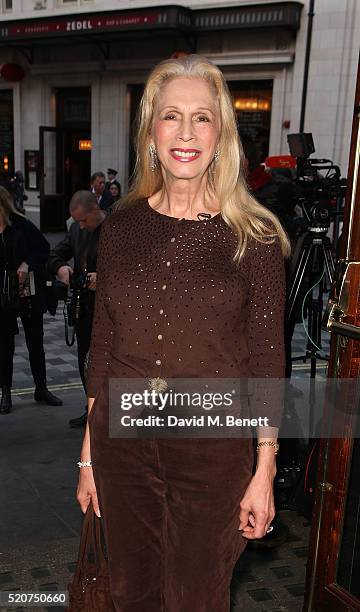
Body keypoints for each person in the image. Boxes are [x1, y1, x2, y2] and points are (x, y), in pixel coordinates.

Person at [76, 55, 290, 611]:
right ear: (152, 131)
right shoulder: (121, 227)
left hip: (212, 448)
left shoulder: (255, 236)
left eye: (202, 117)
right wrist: (87, 458)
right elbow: (103, 346)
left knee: (196, 597)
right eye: (172, 116)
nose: (187, 132)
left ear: (222, 135)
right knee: (132, 594)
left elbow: (268, 356)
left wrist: (264, 469)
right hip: (121, 444)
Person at [0, 186, 62, 414]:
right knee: (4, 345)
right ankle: (5, 392)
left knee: (35, 341)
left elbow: (43, 248)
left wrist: (28, 263)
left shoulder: (21, 225)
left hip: (26, 288)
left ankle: (41, 388)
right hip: (3, 292)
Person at [48, 191, 106, 428]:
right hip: (83, 309)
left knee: (106, 363)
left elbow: (134, 269)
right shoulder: (75, 231)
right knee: (84, 360)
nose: (81, 226)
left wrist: (103, 278)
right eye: (77, 221)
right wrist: (61, 268)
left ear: (95, 210)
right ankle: (90, 408)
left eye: (83, 220)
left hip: (108, 311)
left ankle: (106, 413)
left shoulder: (115, 229)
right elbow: (54, 254)